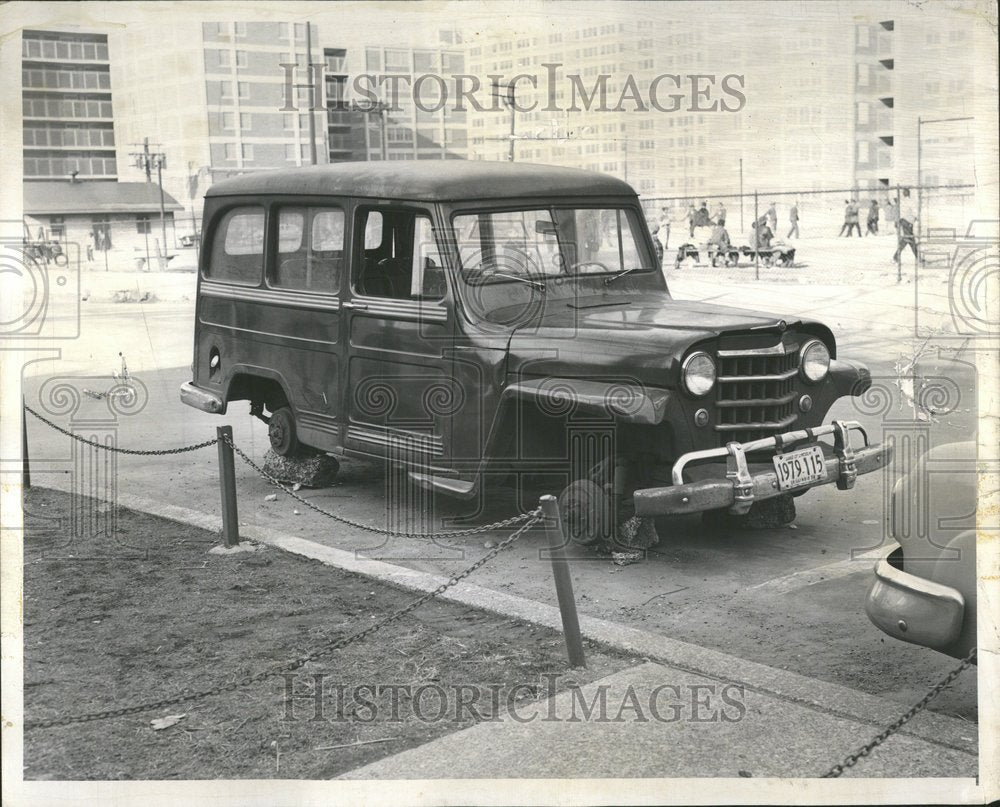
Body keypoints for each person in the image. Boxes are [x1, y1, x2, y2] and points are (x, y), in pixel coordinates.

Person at [893, 189, 919, 263]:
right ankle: (896, 256)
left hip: (903, 221)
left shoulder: (902, 202)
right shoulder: (910, 201)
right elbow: (915, 211)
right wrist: (916, 217)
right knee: (908, 239)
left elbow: (899, 212)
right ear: (909, 193)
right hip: (908, 222)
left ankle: (918, 257)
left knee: (909, 239)